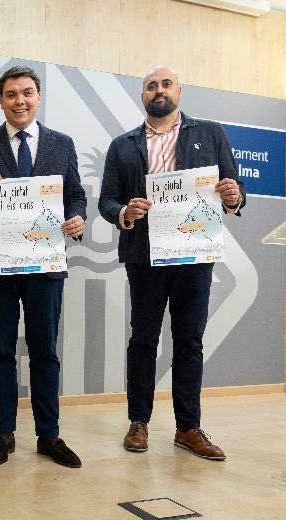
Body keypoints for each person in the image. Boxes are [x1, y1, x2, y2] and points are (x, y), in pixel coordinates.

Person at [98, 66, 246, 461]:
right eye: (151, 86)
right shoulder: (122, 145)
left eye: (165, 84)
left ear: (178, 90)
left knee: (189, 340)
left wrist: (232, 196)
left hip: (195, 254)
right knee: (143, 340)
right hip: (144, 255)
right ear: (142, 96)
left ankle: (188, 428)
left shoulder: (210, 133)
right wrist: (125, 211)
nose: (158, 91)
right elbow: (106, 200)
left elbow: (234, 190)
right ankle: (138, 422)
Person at [0, 66, 88, 468]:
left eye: (26, 93)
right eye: (11, 95)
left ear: (38, 96)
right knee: (2, 351)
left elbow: (76, 196)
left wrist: (78, 220)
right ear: (1, 101)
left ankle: (49, 435)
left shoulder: (61, 145)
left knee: (45, 351)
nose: (20, 101)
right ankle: (4, 433)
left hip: (45, 264)